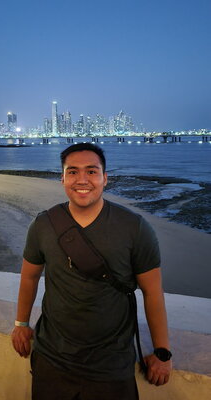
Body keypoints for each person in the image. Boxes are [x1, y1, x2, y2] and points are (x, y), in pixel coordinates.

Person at [11, 143, 172, 400]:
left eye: (92, 171)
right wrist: (21, 323)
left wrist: (162, 352)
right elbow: (29, 276)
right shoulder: (43, 224)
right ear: (62, 178)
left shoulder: (134, 228)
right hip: (52, 358)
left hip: (111, 363)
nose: (82, 180)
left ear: (105, 178)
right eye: (72, 172)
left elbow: (153, 293)